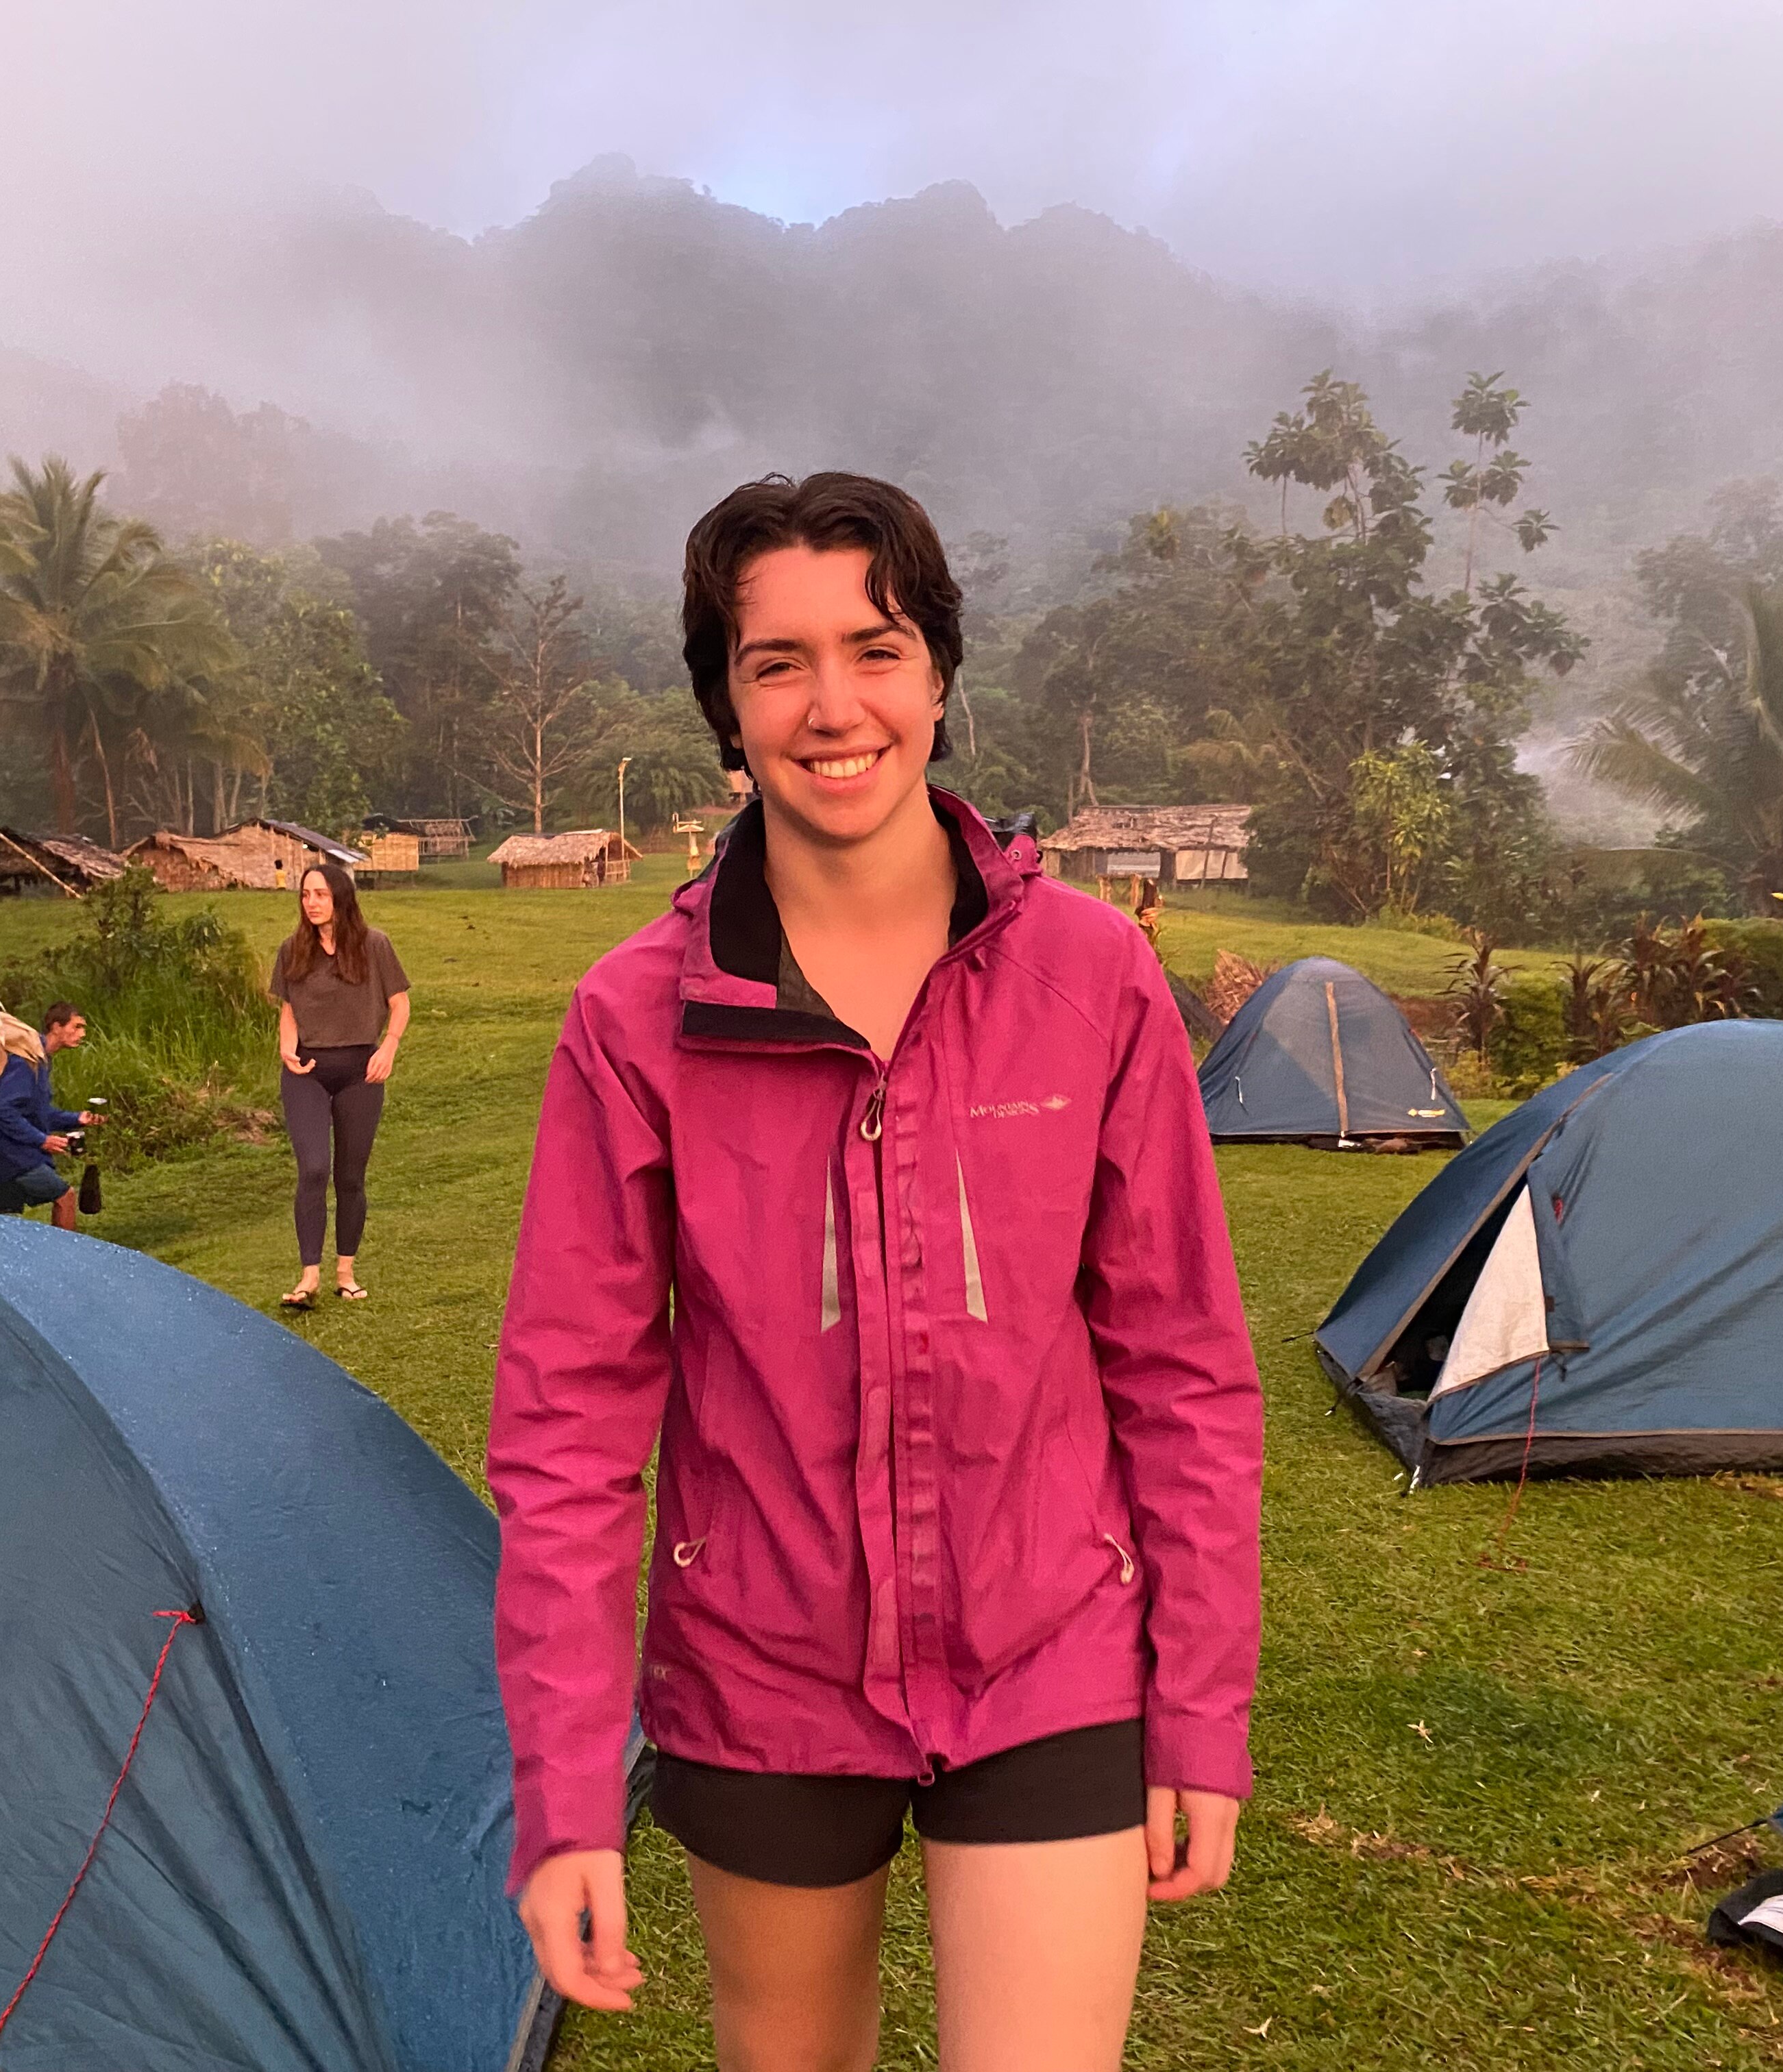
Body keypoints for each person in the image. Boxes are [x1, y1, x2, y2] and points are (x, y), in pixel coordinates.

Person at [487, 472, 1264, 2072]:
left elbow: (1182, 1366)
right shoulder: (636, 1022)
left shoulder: (1093, 979)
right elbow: (568, 1428)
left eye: (878, 647)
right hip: (760, 1673)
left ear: (940, 675)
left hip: (1052, 1645)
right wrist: (566, 1792)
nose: (834, 706)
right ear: (727, 702)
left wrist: (1197, 1704)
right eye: (779, 663)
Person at [271, 861, 410, 1309]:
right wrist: (286, 1045)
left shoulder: (375, 945)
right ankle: (308, 1276)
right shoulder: (292, 950)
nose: (311, 903)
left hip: (361, 1071)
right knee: (314, 1168)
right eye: (306, 895)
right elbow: (289, 1008)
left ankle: (345, 1273)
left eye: (321, 895)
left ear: (340, 899)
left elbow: (400, 1003)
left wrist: (389, 1046)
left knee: (350, 1176)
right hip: (306, 1073)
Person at [0, 1001, 96, 1231]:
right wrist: (42, 1140)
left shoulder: (42, 1059)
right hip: (11, 1156)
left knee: (0, 1226)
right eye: (76, 1027)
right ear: (56, 1027)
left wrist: (77, 1119)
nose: (82, 1034)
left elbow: (38, 1112)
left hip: (2, 1156)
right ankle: (65, 1258)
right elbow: (3, 1110)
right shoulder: (26, 1059)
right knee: (64, 1197)